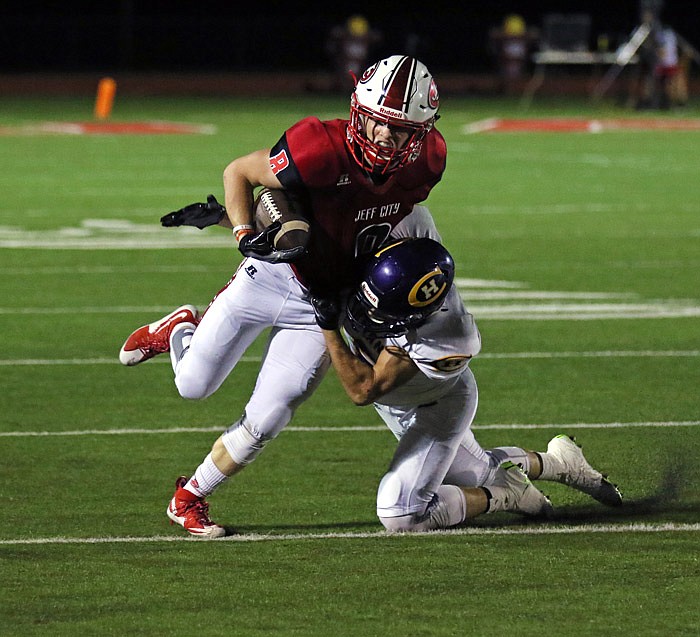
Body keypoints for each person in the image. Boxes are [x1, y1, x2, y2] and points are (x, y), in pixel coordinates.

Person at [119, 55, 445, 538]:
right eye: (376, 122)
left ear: (421, 134)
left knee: (272, 413)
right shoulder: (317, 147)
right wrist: (243, 229)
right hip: (270, 276)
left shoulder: (427, 162)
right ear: (358, 112)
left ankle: (188, 497)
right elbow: (239, 172)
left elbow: (374, 223)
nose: (383, 137)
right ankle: (183, 328)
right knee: (193, 386)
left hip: (322, 301)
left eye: (399, 130)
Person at [310, 238, 623, 531]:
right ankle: (560, 463)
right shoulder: (397, 248)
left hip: (438, 404)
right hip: (402, 402)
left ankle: (506, 495)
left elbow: (363, 388)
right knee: (480, 472)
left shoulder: (450, 336)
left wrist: (328, 325)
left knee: (401, 512)